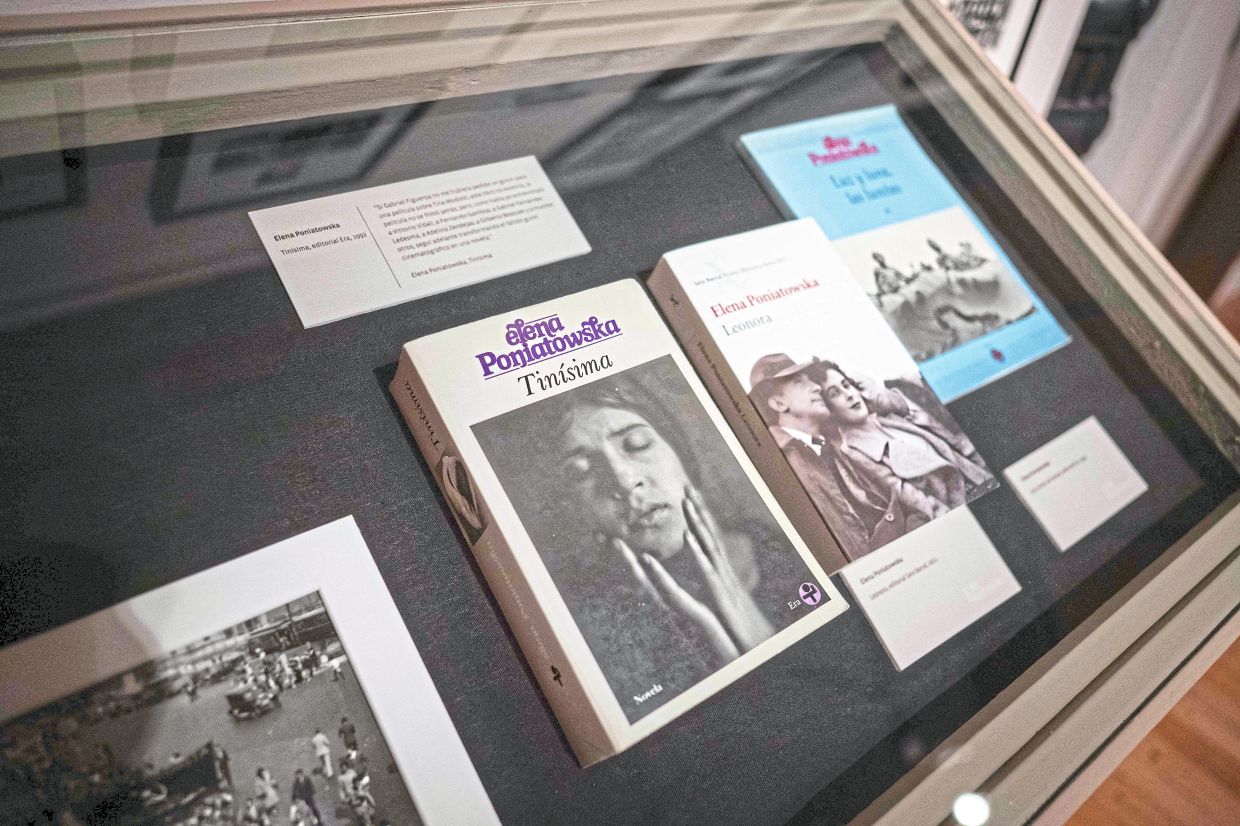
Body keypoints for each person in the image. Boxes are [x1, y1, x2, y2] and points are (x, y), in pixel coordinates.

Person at [506, 367, 812, 716]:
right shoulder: (592, 632)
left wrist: (761, 641)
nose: (623, 480)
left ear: (679, 452)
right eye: (581, 472)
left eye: (637, 445)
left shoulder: (782, 549)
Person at [808, 360, 993, 535]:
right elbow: (913, 500)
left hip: (984, 484)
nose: (849, 394)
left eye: (847, 385)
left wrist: (883, 398)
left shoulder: (887, 417)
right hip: (961, 516)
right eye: (835, 393)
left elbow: (949, 440)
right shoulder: (855, 450)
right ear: (827, 408)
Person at [748, 354, 876, 559]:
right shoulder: (778, 463)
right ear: (779, 404)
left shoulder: (837, 440)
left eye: (812, 380)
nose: (817, 387)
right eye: (800, 383)